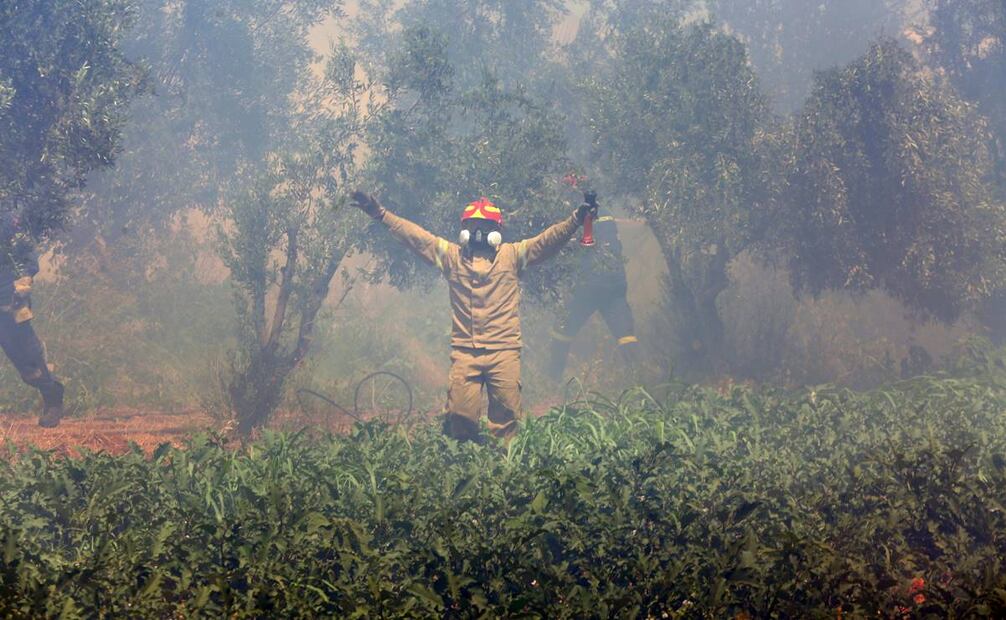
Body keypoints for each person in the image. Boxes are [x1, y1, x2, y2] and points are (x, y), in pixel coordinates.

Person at [351, 191, 594, 443]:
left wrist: (576, 219)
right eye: (473, 226)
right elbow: (417, 238)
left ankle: (504, 469)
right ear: (464, 229)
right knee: (460, 416)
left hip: (504, 351)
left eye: (486, 227)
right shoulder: (451, 257)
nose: (479, 233)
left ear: (496, 230)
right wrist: (381, 215)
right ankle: (464, 464)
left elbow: (547, 242)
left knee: (507, 419)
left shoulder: (512, 255)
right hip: (465, 352)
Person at [547, 208, 639, 382]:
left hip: (588, 287)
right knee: (625, 334)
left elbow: (568, 248)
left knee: (562, 329)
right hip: (614, 286)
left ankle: (552, 380)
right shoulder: (606, 215)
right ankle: (639, 383)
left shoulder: (577, 217)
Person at [0, 213, 64, 427]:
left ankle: (52, 395)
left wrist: (24, 279)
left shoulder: (9, 222)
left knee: (29, 366)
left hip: (9, 305)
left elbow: (28, 256)